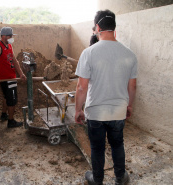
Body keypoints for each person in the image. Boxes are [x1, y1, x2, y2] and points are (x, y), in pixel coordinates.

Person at [75, 9, 137, 185]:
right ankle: (120, 177)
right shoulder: (129, 54)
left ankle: (98, 179)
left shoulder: (89, 53)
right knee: (118, 144)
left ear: (98, 27)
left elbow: (81, 87)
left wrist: (78, 109)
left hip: (95, 112)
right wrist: (129, 106)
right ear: (114, 27)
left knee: (97, 147)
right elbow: (132, 86)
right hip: (118, 111)